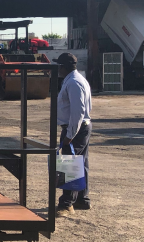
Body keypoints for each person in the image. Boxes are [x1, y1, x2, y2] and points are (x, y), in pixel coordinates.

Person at [53, 52, 92, 217]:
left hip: (75, 128)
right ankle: (82, 199)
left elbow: (78, 112)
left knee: (70, 165)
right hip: (79, 128)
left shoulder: (74, 82)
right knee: (80, 164)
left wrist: (69, 135)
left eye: (58, 66)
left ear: (63, 67)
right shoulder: (74, 79)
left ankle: (67, 203)